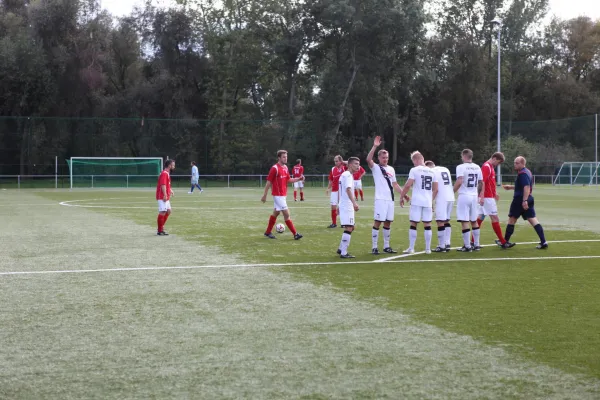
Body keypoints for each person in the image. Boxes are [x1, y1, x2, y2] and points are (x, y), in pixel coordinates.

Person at [366, 136, 409, 255]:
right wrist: (375, 146)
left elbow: (395, 184)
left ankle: (386, 246)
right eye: (383, 157)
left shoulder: (391, 169)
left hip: (390, 200)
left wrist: (403, 194)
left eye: (387, 157)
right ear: (379, 158)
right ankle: (374, 247)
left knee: (388, 222)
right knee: (378, 222)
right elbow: (368, 159)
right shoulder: (376, 168)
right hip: (380, 199)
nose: (385, 159)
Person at [499, 156, 548, 249]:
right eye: (514, 162)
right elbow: (523, 186)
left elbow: (526, 187)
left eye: (517, 163)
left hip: (520, 200)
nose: (515, 164)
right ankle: (543, 242)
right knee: (533, 220)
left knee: (512, 220)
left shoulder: (522, 173)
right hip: (528, 198)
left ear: (522, 163)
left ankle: (505, 242)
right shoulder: (527, 171)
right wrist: (511, 187)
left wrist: (524, 200)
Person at [399, 151, 438, 254]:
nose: (414, 163)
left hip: (416, 201)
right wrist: (431, 200)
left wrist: (401, 197)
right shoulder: (432, 172)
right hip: (427, 202)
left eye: (413, 161)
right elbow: (436, 189)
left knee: (413, 224)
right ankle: (428, 249)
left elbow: (408, 185)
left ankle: (411, 248)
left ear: (416, 160)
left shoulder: (414, 170)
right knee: (427, 224)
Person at [261, 150, 304, 240]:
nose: (285, 158)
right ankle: (295, 234)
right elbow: (268, 182)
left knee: (276, 213)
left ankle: (268, 232)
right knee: (287, 214)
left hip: (283, 195)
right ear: (279, 158)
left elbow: (289, 180)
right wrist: (264, 195)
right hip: (277, 195)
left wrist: (298, 179)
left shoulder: (285, 168)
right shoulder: (275, 168)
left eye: (286, 156)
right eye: (284, 157)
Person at [454, 149, 484, 252]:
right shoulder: (477, 167)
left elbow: (460, 180)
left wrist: (452, 191)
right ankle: (476, 244)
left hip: (464, 195)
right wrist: (478, 193)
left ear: (464, 156)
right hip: (474, 195)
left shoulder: (461, 167)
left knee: (464, 221)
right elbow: (481, 182)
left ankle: (467, 246)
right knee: (474, 220)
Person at [474, 152, 506, 245]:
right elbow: (482, 182)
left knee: (480, 217)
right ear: (494, 158)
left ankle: (472, 241)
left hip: (489, 196)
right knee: (495, 218)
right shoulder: (486, 166)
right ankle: (503, 242)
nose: (498, 164)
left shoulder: (491, 167)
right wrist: (482, 196)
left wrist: (495, 192)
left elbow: (490, 182)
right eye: (498, 162)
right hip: (487, 197)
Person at [425, 160, 454, 252]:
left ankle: (442, 246)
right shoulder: (445, 169)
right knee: (446, 220)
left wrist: (430, 202)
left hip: (442, 198)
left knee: (440, 221)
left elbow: (435, 189)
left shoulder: (432, 171)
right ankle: (447, 243)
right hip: (451, 197)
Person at [336, 157, 361, 258]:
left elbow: (340, 190)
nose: (358, 166)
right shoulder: (348, 175)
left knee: (351, 227)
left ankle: (341, 248)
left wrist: (338, 204)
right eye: (355, 164)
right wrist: (354, 203)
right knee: (349, 227)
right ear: (350, 165)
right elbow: (348, 190)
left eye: (358, 164)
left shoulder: (345, 174)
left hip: (344, 204)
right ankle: (344, 252)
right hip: (347, 205)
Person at [326, 155, 347, 228]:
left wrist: (343, 162)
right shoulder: (333, 169)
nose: (335, 162)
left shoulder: (345, 168)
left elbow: (350, 163)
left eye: (337, 161)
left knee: (342, 206)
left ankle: (343, 223)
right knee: (333, 207)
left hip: (342, 191)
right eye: (335, 161)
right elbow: (331, 180)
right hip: (334, 190)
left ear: (340, 161)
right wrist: (328, 188)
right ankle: (334, 223)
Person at [156, 159, 175, 236]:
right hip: (162, 196)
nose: (174, 166)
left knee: (168, 211)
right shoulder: (164, 173)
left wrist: (170, 190)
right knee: (163, 212)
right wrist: (164, 194)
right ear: (169, 165)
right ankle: (160, 230)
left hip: (166, 195)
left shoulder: (167, 173)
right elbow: (163, 185)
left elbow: (166, 184)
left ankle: (160, 227)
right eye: (173, 165)